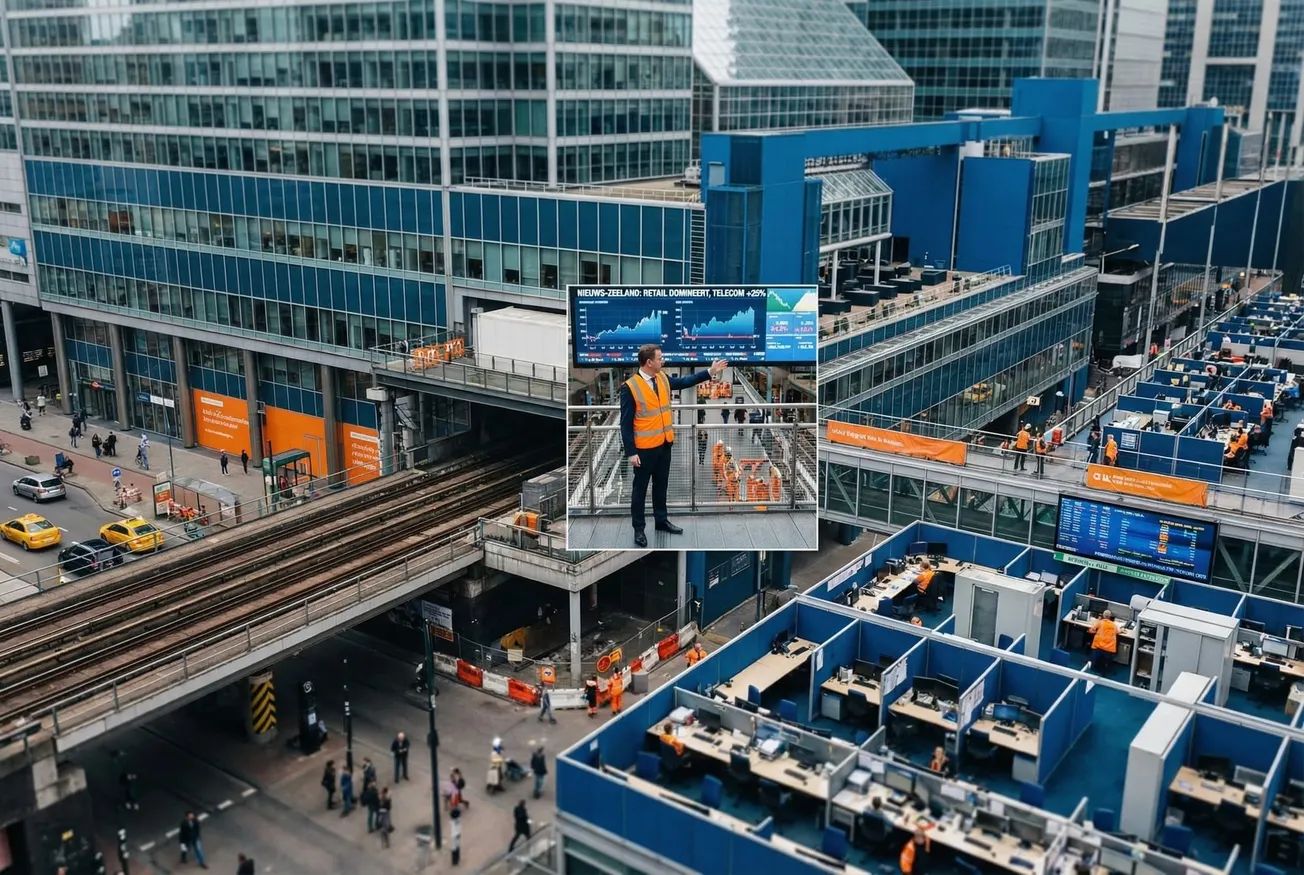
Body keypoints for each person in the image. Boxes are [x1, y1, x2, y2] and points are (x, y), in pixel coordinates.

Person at [620, 343, 727, 547]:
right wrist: (631, 452)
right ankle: (639, 529)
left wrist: (710, 372)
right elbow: (625, 423)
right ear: (649, 362)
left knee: (661, 486)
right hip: (643, 450)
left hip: (664, 444)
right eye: (660, 358)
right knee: (639, 490)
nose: (663, 361)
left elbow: (685, 381)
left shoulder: (662, 378)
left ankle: (661, 521)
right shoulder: (630, 387)